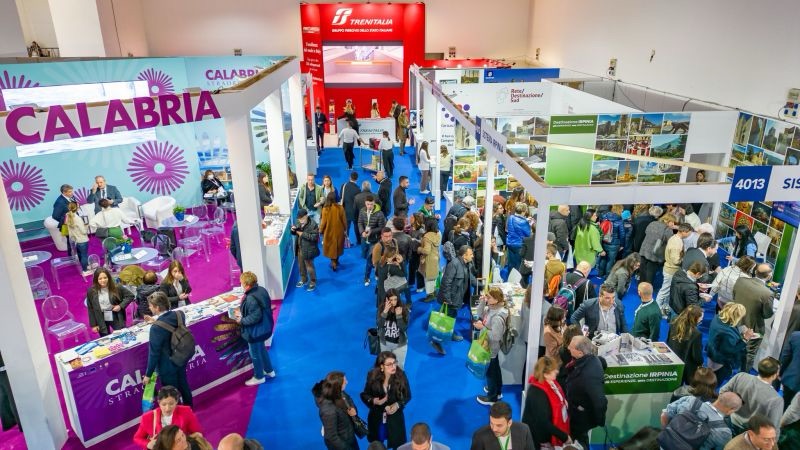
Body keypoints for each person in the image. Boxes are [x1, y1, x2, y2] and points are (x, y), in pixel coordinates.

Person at [143, 292, 192, 407]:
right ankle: (189, 410)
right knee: (183, 385)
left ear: (157, 307)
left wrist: (148, 375)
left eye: (151, 306)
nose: (149, 308)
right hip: (181, 357)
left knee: (171, 394)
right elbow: (169, 328)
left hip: (167, 365)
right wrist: (155, 321)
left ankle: (177, 414)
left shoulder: (155, 329)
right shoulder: (179, 314)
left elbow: (154, 354)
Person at [361, 351, 412, 450]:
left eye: (394, 363)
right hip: (377, 418)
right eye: (389, 364)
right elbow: (365, 394)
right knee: (377, 443)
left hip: (395, 419)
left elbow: (407, 396)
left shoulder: (401, 375)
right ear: (381, 366)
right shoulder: (372, 375)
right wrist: (374, 401)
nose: (393, 366)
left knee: (397, 445)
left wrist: (397, 405)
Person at [430, 244, 476, 354]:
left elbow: (471, 279)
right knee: (445, 319)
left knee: (451, 317)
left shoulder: (467, 264)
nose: (473, 256)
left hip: (457, 298)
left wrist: (483, 285)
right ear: (464, 255)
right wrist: (447, 299)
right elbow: (446, 283)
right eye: (471, 254)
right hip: (450, 299)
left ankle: (449, 334)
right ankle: (436, 341)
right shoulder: (454, 264)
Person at [720, 357, 783, 436]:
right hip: (749, 434)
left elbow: (722, 393)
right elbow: (773, 426)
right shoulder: (776, 399)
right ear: (774, 375)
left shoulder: (741, 376)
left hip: (728, 420)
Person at [564, 336, 608, 449]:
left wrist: (599, 420)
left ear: (580, 352)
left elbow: (600, 401)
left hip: (581, 418)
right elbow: (603, 363)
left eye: (571, 347)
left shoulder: (589, 375)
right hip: (577, 412)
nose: (568, 348)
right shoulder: (589, 359)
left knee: (580, 441)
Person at [660, 391, 742, 450]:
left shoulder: (690, 400)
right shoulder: (724, 432)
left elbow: (664, 415)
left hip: (664, 444)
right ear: (731, 410)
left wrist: (667, 433)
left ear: (719, 397)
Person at [732, 263, 775, 372]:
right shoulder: (767, 293)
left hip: (735, 322)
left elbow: (734, 297)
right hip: (753, 329)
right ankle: (743, 377)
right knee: (749, 355)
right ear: (769, 276)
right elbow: (767, 314)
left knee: (735, 347)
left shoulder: (741, 280)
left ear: (755, 272)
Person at [234, 272, 275, 385]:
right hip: (264, 328)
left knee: (255, 354)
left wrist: (241, 320)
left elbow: (255, 317)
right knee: (262, 349)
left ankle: (259, 376)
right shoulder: (261, 290)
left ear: (247, 285)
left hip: (255, 332)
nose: (241, 285)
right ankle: (269, 370)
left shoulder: (250, 298)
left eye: (242, 283)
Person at [522, 356, 571, 449]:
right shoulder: (536, 392)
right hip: (538, 438)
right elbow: (543, 422)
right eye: (554, 370)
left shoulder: (552, 383)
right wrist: (564, 437)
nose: (557, 371)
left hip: (547, 433)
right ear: (545, 374)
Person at [133, 385, 203, 449]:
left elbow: (197, 433)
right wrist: (148, 444)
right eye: (164, 404)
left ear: (176, 401)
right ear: (159, 402)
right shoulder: (147, 417)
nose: (167, 408)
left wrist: (183, 440)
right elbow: (137, 438)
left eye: (171, 404)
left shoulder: (186, 411)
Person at [474, 287, 509, 405]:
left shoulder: (497, 316)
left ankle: (492, 398)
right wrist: (482, 301)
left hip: (491, 347)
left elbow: (496, 336)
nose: (487, 298)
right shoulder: (491, 308)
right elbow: (479, 314)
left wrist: (482, 328)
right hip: (489, 346)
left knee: (490, 372)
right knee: (495, 370)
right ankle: (497, 391)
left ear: (496, 299)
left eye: (489, 297)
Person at [312, 371, 360, 450]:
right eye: (344, 381)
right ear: (337, 385)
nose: (347, 382)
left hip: (349, 436)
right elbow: (332, 437)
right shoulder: (328, 410)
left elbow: (349, 399)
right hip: (341, 446)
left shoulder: (339, 392)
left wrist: (353, 409)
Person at [707, 302, 751, 385]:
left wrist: (740, 329)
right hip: (720, 362)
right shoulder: (727, 334)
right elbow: (730, 350)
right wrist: (745, 339)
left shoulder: (718, 317)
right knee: (714, 384)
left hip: (712, 354)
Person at [655, 222, 693, 313]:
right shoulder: (677, 243)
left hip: (670, 269)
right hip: (671, 270)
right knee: (665, 291)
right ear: (684, 231)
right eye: (689, 233)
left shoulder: (675, 238)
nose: (689, 235)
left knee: (667, 291)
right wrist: (685, 258)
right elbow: (676, 261)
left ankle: (662, 309)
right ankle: (657, 309)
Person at [86, 267, 133, 336]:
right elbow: (90, 308)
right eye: (100, 279)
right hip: (100, 316)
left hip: (113, 314)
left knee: (122, 333)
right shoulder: (91, 291)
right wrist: (94, 325)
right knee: (105, 336)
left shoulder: (117, 287)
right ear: (96, 280)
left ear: (109, 277)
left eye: (105, 278)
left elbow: (130, 296)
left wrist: (120, 306)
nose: (103, 280)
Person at [470, 401, 535, 450]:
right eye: (491, 423)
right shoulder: (480, 436)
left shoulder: (524, 430)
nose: (494, 429)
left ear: (509, 423)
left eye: (499, 425)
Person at [667, 304, 704, 384]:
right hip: (685, 368)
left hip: (671, 359)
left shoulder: (674, 322)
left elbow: (668, 341)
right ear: (695, 318)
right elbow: (696, 356)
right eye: (701, 317)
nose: (702, 319)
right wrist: (701, 363)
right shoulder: (696, 334)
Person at [638, 212, 677, 286]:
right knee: (650, 273)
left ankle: (640, 286)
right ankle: (647, 288)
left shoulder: (652, 223)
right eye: (672, 222)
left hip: (644, 249)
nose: (673, 224)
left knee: (642, 270)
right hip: (655, 253)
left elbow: (646, 232)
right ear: (667, 220)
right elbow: (670, 241)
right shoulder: (668, 230)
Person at [359, 195, 387, 286]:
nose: (369, 206)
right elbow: (360, 222)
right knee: (366, 257)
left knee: (369, 260)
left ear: (374, 203)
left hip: (374, 241)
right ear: (365, 203)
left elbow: (382, 227)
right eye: (368, 204)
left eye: (371, 204)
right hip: (364, 240)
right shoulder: (362, 211)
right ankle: (375, 272)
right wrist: (362, 232)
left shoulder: (380, 214)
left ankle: (366, 277)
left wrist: (371, 231)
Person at [378, 289, 409, 369]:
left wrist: (399, 316)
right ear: (387, 300)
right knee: (386, 367)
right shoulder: (382, 308)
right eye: (391, 300)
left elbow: (404, 328)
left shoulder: (403, 309)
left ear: (398, 299)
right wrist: (385, 311)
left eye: (395, 299)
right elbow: (379, 325)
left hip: (399, 345)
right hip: (385, 344)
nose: (393, 302)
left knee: (399, 368)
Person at [292, 209, 320, 292]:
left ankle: (313, 282)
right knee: (301, 265)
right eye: (299, 219)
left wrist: (302, 234)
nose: (300, 220)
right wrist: (293, 230)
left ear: (306, 216)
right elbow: (295, 233)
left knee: (309, 267)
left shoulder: (313, 224)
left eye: (302, 218)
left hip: (309, 249)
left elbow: (314, 237)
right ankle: (304, 279)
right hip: (300, 247)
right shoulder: (298, 222)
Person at [596, 205, 626, 278]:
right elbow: (622, 234)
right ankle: (607, 276)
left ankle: (600, 274)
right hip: (614, 244)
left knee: (603, 258)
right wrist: (622, 245)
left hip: (604, 241)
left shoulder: (604, 217)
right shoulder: (619, 220)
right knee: (610, 261)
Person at [320, 191, 346, 272]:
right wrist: (345, 229)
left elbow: (323, 222)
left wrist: (320, 230)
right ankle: (336, 261)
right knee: (338, 246)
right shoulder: (340, 208)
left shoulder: (325, 209)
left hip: (329, 232)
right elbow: (344, 221)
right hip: (339, 231)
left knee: (331, 248)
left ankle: (333, 262)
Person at [417, 218, 441, 302]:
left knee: (428, 279)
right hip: (435, 258)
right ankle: (433, 292)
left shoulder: (427, 237)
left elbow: (426, 251)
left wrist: (419, 249)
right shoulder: (438, 234)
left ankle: (430, 295)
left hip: (428, 260)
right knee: (433, 278)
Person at [65, 202, 92, 276]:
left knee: (80, 254)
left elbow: (70, 230)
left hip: (75, 240)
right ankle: (85, 270)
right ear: (77, 208)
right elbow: (83, 231)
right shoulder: (77, 218)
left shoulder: (68, 216)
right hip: (82, 240)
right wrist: (86, 226)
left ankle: (84, 266)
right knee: (84, 255)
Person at [506, 203, 532, 275]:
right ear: (523, 211)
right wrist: (529, 224)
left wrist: (525, 219)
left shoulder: (511, 217)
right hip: (519, 245)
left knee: (511, 265)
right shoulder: (524, 222)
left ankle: (510, 278)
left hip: (510, 244)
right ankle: (518, 280)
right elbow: (528, 234)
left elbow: (517, 221)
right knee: (519, 266)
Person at [52, 183, 78, 255]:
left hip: (74, 223)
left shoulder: (71, 197)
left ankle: (75, 255)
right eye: (70, 192)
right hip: (67, 225)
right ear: (64, 192)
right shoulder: (59, 202)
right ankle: (71, 256)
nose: (72, 193)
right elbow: (55, 216)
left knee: (74, 241)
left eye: (72, 191)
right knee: (71, 242)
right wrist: (66, 220)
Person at [780, 329, 800, 410]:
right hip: (792, 381)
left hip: (792, 380)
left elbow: (785, 357)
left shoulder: (796, 336)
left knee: (785, 406)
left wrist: (780, 373)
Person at [340, 171, 361, 244]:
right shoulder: (358, 189)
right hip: (355, 211)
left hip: (346, 210)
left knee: (346, 227)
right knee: (356, 226)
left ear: (350, 177)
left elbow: (341, 197)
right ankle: (359, 241)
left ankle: (346, 242)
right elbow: (358, 201)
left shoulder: (343, 185)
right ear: (357, 179)